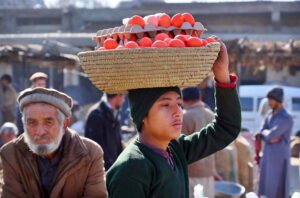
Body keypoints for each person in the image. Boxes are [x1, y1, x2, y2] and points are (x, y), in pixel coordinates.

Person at [106, 42, 241, 198]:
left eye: (179, 103)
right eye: (165, 105)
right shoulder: (132, 169)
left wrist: (222, 75)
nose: (178, 112)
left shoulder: (175, 150)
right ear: (142, 114)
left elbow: (226, 129)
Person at [0, 87, 107, 197]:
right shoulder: (10, 154)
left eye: (48, 122)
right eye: (32, 122)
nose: (40, 132)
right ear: (24, 124)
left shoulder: (90, 153)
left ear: (64, 124)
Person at [181, 87, 220, 198]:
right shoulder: (212, 115)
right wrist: (214, 170)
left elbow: (178, 147)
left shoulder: (185, 116)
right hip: (209, 171)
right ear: (199, 97)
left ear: (183, 100)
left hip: (190, 173)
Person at [257, 87, 293, 198]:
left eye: (271, 100)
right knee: (266, 188)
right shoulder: (269, 115)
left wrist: (267, 135)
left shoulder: (287, 118)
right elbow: (262, 132)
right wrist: (266, 135)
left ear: (278, 100)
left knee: (278, 189)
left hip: (279, 158)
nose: (269, 102)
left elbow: (271, 135)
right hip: (268, 155)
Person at [85, 93, 125, 170]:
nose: (123, 100)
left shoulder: (113, 113)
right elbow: (96, 147)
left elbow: (117, 143)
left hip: (113, 168)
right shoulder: (96, 115)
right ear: (118, 96)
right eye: (123, 96)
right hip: (102, 171)